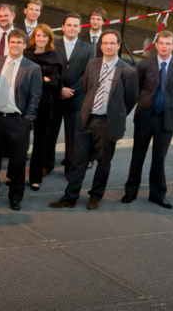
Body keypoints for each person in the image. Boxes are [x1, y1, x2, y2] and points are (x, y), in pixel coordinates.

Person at [50, 30, 139, 211]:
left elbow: (130, 100)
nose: (108, 46)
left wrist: (115, 115)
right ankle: (70, 197)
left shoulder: (128, 71)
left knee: (103, 163)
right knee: (78, 161)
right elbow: (87, 88)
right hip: (86, 120)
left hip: (107, 124)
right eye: (105, 43)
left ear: (118, 45)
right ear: (101, 45)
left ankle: (96, 196)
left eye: (112, 43)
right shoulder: (92, 64)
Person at [0, 29, 41, 211]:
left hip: (18, 121)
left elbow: (36, 97)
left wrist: (27, 120)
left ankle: (15, 197)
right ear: (8, 43)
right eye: (12, 42)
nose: (15, 45)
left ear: (24, 45)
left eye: (19, 42)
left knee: (18, 161)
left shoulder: (32, 68)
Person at [123, 30, 173, 209]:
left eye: (167, 43)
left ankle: (157, 195)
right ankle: (130, 191)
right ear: (156, 45)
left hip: (166, 118)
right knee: (137, 156)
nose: (164, 46)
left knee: (159, 158)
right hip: (145, 116)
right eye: (161, 43)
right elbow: (138, 88)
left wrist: (168, 104)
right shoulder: (145, 64)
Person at [47, 13, 92, 174]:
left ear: (80, 29)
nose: (72, 28)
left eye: (75, 26)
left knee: (73, 136)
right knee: (50, 133)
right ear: (63, 27)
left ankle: (70, 168)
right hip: (54, 96)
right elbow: (48, 69)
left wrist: (70, 91)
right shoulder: (51, 45)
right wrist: (59, 89)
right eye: (69, 25)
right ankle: (47, 164)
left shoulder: (88, 48)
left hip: (75, 98)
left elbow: (88, 73)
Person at [24, 24, 62, 191]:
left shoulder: (55, 56)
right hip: (24, 103)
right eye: (38, 36)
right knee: (20, 142)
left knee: (40, 142)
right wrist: (43, 78)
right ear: (34, 37)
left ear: (49, 39)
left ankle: (35, 177)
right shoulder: (25, 54)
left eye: (44, 36)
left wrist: (36, 77)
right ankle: (14, 175)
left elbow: (54, 83)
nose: (41, 39)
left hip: (45, 104)